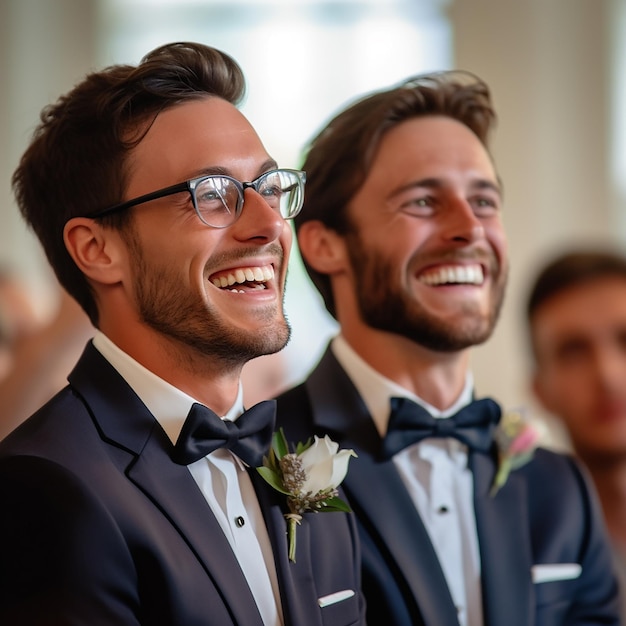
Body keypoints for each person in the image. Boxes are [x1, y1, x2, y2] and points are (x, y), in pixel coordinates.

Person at [0, 42, 365, 626]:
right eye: (212, 194)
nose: (270, 223)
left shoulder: (302, 461)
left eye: (269, 186)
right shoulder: (46, 489)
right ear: (97, 249)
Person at [274, 71, 620, 625]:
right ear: (324, 244)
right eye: (421, 202)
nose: (469, 229)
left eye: (484, 201)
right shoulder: (257, 462)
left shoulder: (558, 489)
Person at [527, 248, 626, 620]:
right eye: (573, 351)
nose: (608, 375)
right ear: (540, 388)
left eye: (625, 339)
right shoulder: (526, 552)